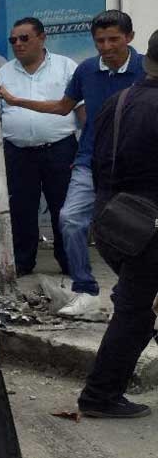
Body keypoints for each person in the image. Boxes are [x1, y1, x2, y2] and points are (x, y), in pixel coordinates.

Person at [0, 10, 144, 315]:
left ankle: (135, 290)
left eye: (113, 39)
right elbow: (64, 107)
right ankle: (85, 290)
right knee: (69, 220)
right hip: (89, 160)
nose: (106, 46)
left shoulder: (146, 69)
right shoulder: (87, 70)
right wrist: (17, 102)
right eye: (99, 40)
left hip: (135, 165)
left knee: (134, 228)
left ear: (129, 37)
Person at [75, 30, 158, 419]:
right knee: (135, 312)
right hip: (149, 228)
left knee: (138, 310)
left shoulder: (117, 101)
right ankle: (99, 397)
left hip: (114, 221)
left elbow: (96, 162)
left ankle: (103, 394)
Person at [0, 17, 79, 278]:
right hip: (18, 151)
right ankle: (23, 260)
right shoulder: (3, 73)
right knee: (21, 208)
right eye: (13, 40)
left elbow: (81, 109)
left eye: (24, 38)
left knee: (63, 208)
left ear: (42, 38)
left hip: (60, 149)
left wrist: (86, 147)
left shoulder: (66, 67)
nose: (18, 44)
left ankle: (68, 261)